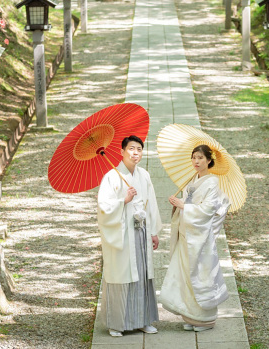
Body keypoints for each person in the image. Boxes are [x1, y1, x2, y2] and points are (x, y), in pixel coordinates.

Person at [159, 144, 231, 332]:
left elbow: (208, 210)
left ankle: (205, 319)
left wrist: (184, 206)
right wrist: (178, 206)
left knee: (201, 274)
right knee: (186, 275)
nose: (196, 161)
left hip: (201, 237)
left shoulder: (212, 183)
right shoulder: (192, 180)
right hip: (187, 233)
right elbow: (189, 203)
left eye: (200, 158)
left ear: (209, 160)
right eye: (194, 157)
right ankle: (191, 316)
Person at [97, 135, 162, 337]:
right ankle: (117, 323)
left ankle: (143, 320)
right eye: (131, 149)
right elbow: (104, 207)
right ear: (122, 151)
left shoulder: (144, 175)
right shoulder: (111, 177)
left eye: (139, 149)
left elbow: (151, 203)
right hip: (123, 233)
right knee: (123, 275)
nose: (136, 152)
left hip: (141, 231)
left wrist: (153, 232)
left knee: (142, 274)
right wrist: (123, 200)